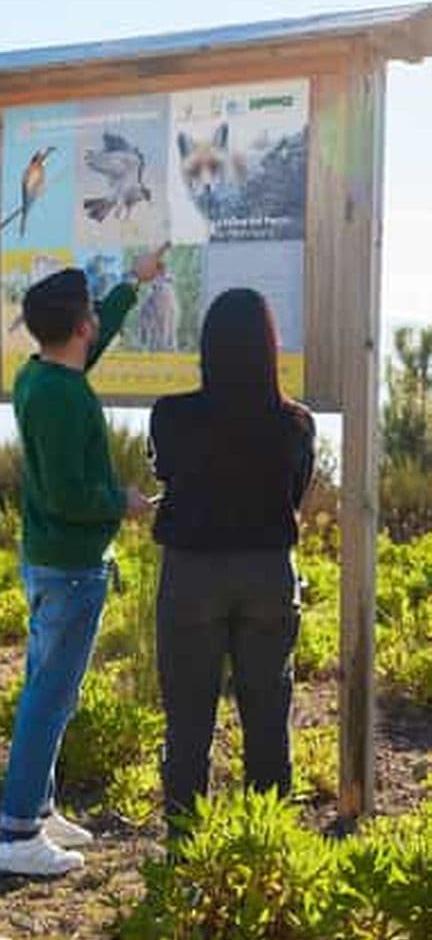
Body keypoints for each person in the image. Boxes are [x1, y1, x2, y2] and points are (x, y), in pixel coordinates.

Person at [0, 247, 166, 877]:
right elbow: (70, 496)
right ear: (81, 327)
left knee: (50, 693)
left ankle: (37, 807)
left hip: (49, 562)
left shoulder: (40, 375)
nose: (98, 319)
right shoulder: (63, 396)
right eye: (94, 312)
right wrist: (121, 502)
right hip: (70, 567)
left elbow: (88, 346)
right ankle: (16, 836)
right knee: (48, 697)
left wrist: (129, 286)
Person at [148, 288, 315, 836]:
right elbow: (295, 494)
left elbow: (167, 472)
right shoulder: (295, 424)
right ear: (269, 347)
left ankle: (185, 849)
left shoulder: (171, 416)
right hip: (268, 574)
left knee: (189, 724)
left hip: (191, 576)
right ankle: (268, 848)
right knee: (269, 721)